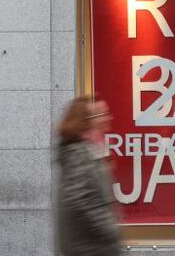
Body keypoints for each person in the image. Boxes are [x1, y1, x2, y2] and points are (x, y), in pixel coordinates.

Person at [57, 96, 120, 256]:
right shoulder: (78, 153)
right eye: (102, 114)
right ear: (88, 120)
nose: (108, 117)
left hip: (94, 243)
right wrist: (108, 227)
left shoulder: (93, 148)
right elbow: (79, 197)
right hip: (89, 245)